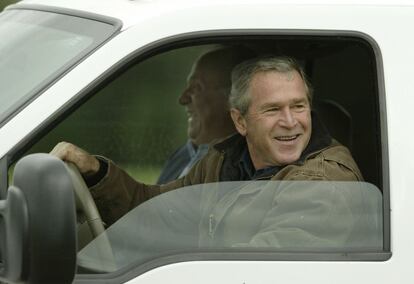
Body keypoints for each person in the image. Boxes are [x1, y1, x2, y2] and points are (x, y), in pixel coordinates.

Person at [51, 56, 365, 248]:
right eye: (272, 110)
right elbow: (156, 213)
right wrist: (96, 171)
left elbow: (254, 271)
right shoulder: (226, 160)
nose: (289, 122)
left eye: (299, 107)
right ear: (240, 121)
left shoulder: (322, 182)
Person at [157, 46, 255, 184]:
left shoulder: (244, 170)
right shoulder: (182, 156)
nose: (182, 99)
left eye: (197, 87)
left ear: (234, 100)